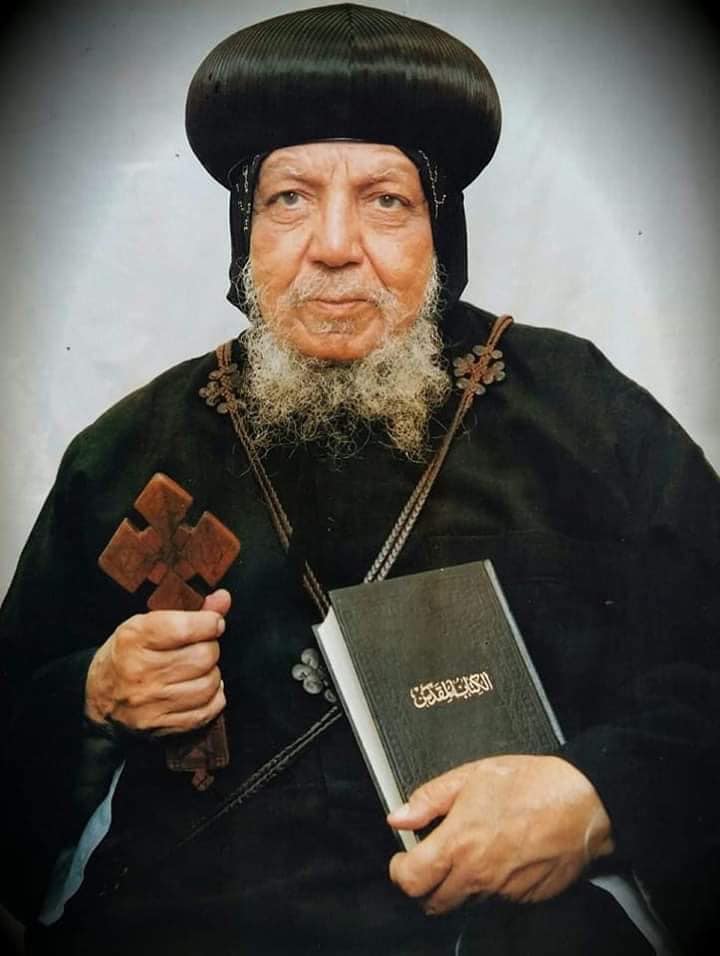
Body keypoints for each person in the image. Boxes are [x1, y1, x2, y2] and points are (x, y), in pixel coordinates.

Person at [1, 4, 718, 954]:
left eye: (385, 200)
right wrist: (92, 698)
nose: (334, 245)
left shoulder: (581, 411)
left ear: (441, 229)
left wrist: (596, 801)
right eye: (290, 199)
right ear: (245, 232)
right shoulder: (131, 447)